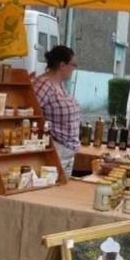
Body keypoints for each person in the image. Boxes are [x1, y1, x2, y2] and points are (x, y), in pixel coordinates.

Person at [33, 45, 81, 177]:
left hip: (68, 151)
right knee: (52, 193)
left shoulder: (60, 84)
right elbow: (31, 112)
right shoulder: (44, 84)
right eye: (73, 65)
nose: (74, 69)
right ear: (62, 65)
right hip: (56, 148)